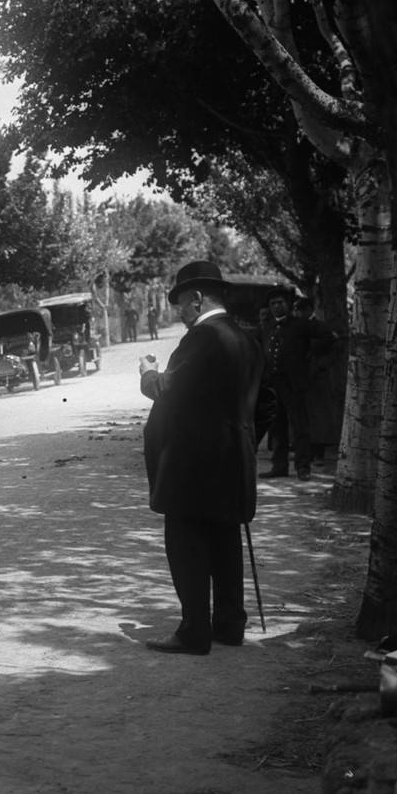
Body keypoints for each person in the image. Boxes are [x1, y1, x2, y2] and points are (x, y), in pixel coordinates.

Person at [138, 261, 264, 655]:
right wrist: (242, 440)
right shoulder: (247, 339)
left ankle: (194, 632)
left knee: (187, 544)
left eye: (179, 303)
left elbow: (169, 391)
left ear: (196, 299)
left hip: (193, 467)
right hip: (232, 464)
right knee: (226, 542)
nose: (178, 312)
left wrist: (148, 373)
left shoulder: (201, 337)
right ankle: (229, 625)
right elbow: (268, 402)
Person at [259, 286, 334, 481]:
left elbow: (328, 335)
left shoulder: (301, 324)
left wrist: (312, 355)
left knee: (300, 427)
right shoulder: (267, 327)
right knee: (277, 428)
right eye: (273, 303)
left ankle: (303, 467)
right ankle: (279, 466)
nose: (276, 306)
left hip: (295, 384)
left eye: (280, 302)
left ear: (288, 304)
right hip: (274, 384)